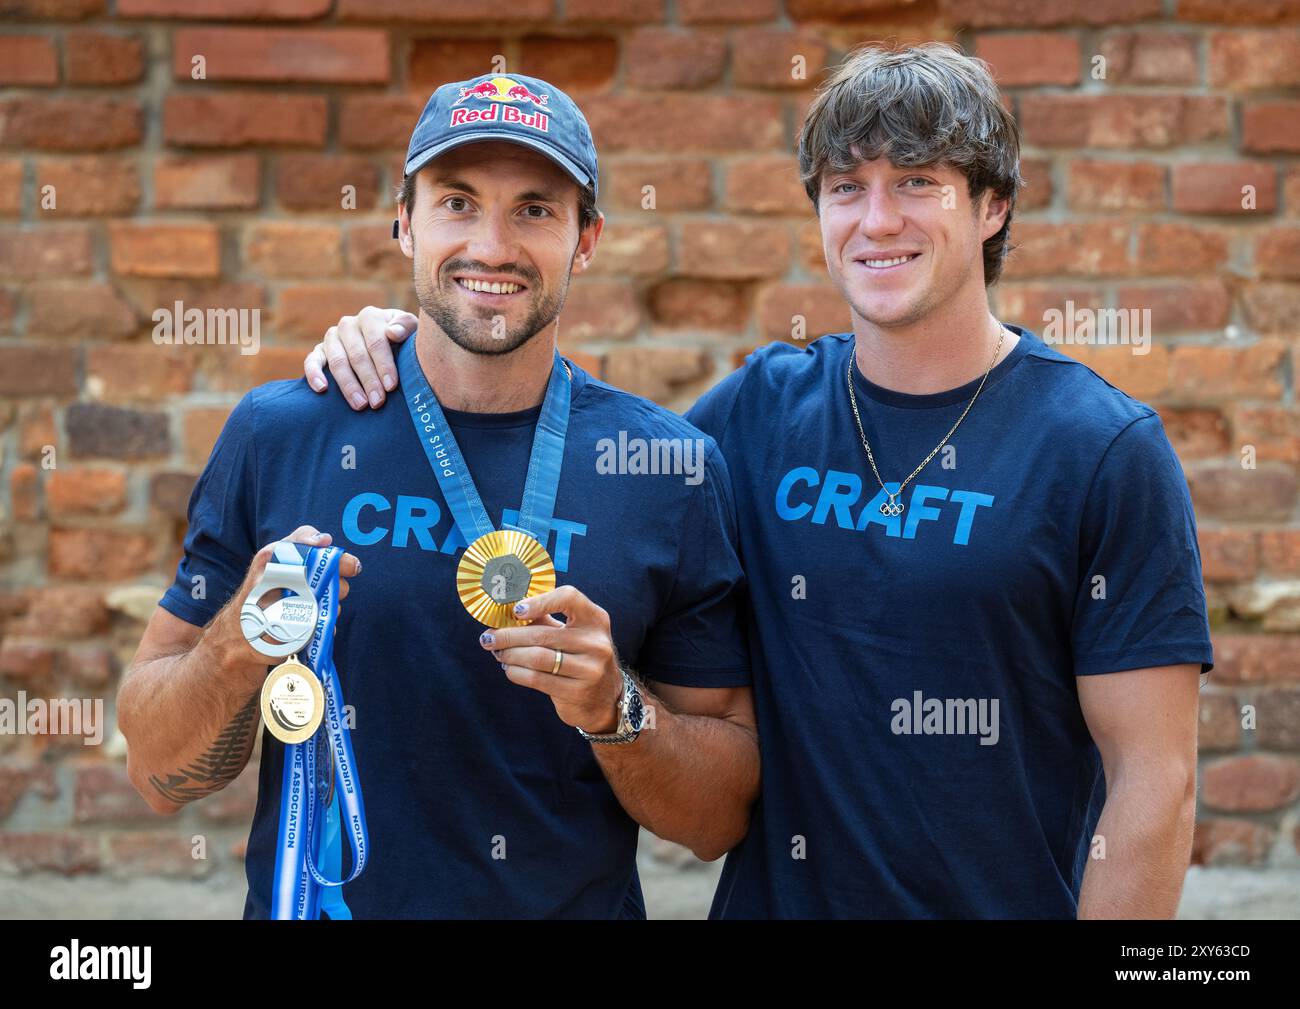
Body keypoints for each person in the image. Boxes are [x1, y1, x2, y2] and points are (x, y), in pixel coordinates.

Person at [306, 45, 1214, 919]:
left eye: (918, 183)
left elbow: (1155, 781)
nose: (879, 218)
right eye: (847, 188)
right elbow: (555, 452)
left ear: (993, 208)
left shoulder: (1101, 448)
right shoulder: (752, 413)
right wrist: (416, 338)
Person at [118, 72, 758, 919]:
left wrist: (616, 707)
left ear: (588, 238)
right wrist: (238, 642)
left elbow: (718, 820)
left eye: (535, 209)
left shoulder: (668, 468)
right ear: (404, 220)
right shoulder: (281, 433)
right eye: (457, 202)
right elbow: (157, 774)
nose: (492, 246)